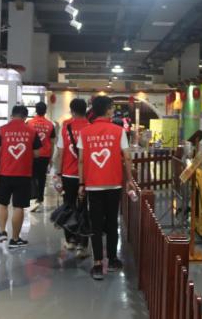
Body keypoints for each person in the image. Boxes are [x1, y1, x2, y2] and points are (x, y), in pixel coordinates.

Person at [78, 96, 138, 281]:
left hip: (93, 185)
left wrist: (81, 184)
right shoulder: (119, 131)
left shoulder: (84, 132)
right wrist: (129, 179)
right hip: (113, 184)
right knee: (112, 222)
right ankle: (112, 260)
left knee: (95, 224)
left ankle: (97, 264)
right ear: (108, 109)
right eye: (112, 108)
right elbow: (127, 157)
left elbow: (81, 160)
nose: (113, 110)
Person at [0, 105, 41, 248]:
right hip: (23, 175)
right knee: (19, 207)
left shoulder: (2, 130)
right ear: (25, 117)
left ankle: (2, 232)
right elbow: (37, 154)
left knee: (2, 203)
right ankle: (15, 239)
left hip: (4, 174)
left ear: (12, 115)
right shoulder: (32, 131)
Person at [51, 98, 90, 258]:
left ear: (72, 111)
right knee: (83, 208)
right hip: (85, 176)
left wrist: (59, 174)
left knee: (69, 206)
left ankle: (70, 241)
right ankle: (83, 245)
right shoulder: (90, 127)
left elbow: (60, 153)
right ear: (86, 110)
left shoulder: (66, 126)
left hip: (68, 174)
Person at [27, 101, 56, 212]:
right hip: (45, 154)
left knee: (32, 175)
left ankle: (32, 197)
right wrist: (51, 158)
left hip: (32, 155)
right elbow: (52, 142)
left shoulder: (29, 123)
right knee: (42, 177)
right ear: (45, 111)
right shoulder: (50, 125)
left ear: (36, 110)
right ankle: (40, 198)